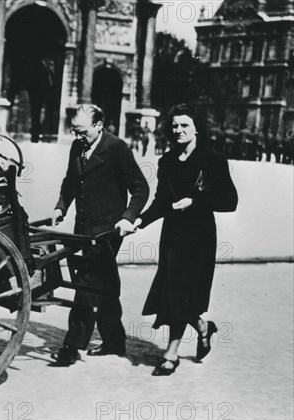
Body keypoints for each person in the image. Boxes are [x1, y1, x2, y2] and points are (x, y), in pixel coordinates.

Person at [132, 104, 238, 376]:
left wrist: (195, 201)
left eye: (185, 125)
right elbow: (161, 203)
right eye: (175, 126)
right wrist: (139, 221)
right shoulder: (166, 162)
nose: (178, 130)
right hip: (172, 236)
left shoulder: (212, 159)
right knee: (172, 292)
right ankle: (202, 327)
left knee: (181, 292)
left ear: (197, 129)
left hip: (199, 236)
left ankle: (171, 353)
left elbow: (230, 200)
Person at [50, 104, 149, 365]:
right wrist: (61, 206)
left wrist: (128, 218)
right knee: (104, 281)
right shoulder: (78, 147)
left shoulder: (117, 148)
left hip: (108, 230)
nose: (78, 137)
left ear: (98, 125)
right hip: (83, 227)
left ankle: (71, 346)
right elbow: (71, 180)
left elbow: (140, 189)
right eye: (74, 132)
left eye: (82, 132)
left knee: (86, 281)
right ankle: (114, 340)